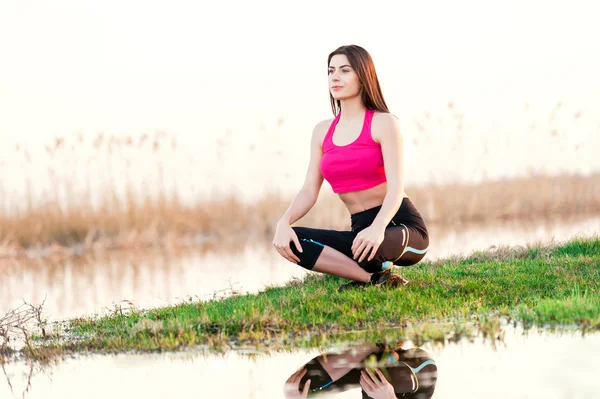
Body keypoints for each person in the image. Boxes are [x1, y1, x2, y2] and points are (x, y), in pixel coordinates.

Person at [273, 45, 429, 292]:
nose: (335, 77)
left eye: (345, 70)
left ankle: (374, 264)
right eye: (331, 71)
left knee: (372, 249)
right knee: (293, 241)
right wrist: (284, 222)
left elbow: (396, 188)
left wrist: (378, 228)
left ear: (363, 76)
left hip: (401, 226)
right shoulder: (322, 131)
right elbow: (308, 191)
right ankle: (373, 280)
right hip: (361, 230)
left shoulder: (383, 122)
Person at [283, 342, 438, 398]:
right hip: (416, 374)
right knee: (391, 378)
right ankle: (384, 344)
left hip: (370, 379)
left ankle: (372, 345)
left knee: (298, 388)